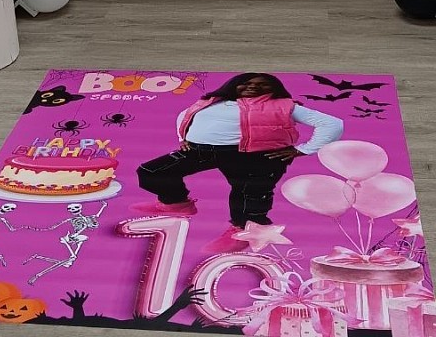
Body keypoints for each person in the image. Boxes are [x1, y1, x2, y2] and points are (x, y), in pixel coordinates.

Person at [132, 73, 344, 254]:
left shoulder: (284, 106)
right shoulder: (211, 101)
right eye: (247, 83)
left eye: (263, 85)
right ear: (233, 85)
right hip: (201, 150)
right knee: (152, 171)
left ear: (274, 89)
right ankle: (176, 203)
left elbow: (332, 124)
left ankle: (246, 231)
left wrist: (303, 149)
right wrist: (183, 137)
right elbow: (184, 116)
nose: (253, 87)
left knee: (248, 194)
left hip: (255, 156)